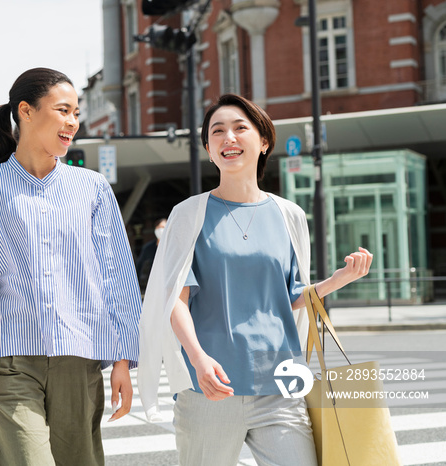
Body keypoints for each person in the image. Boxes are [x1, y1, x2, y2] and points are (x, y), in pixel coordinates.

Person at [137, 94, 373, 466]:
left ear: (263, 142)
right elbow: (175, 301)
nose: (228, 138)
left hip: (280, 385)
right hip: (211, 389)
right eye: (217, 132)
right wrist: (199, 361)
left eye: (239, 128)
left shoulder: (288, 214)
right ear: (209, 149)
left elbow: (291, 295)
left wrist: (338, 280)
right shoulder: (189, 214)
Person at [0, 68, 141, 466]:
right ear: (26, 111)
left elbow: (118, 278)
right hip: (8, 363)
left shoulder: (92, 188)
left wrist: (124, 358)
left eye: (76, 113)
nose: (73, 122)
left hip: (79, 357)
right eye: (63, 110)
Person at [135, 217, 167, 292]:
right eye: (159, 227)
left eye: (164, 227)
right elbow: (139, 267)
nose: (161, 230)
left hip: (167, 286)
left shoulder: (173, 247)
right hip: (150, 287)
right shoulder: (148, 248)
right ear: (155, 229)